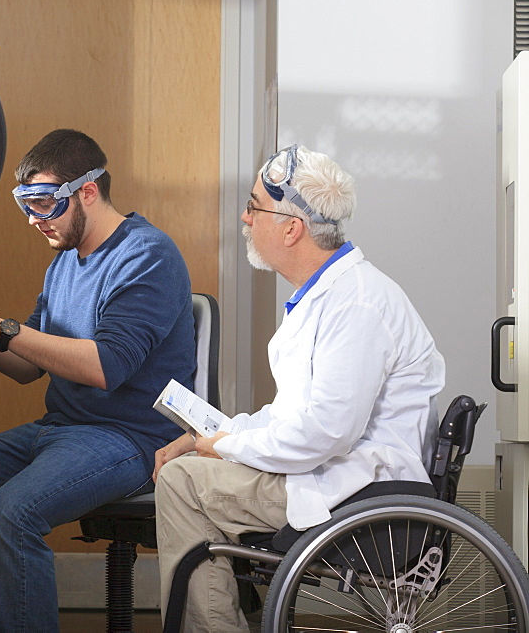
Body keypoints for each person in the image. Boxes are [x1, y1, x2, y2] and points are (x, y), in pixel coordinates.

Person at [152, 145, 445, 632]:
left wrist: (225, 447)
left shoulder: (356, 306)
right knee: (192, 463)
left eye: (254, 206)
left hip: (355, 488)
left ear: (292, 228)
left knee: (183, 482)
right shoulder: (332, 296)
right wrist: (217, 436)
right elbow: (292, 414)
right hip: (333, 470)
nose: (245, 219)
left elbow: (325, 433)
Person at [0, 128, 195, 632]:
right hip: (58, 429)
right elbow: (27, 367)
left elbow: (106, 366)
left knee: (13, 515)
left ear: (88, 191)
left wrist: (3, 328)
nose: (35, 221)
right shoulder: (63, 264)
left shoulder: (146, 255)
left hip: (129, 437)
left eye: (43, 204)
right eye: (27, 208)